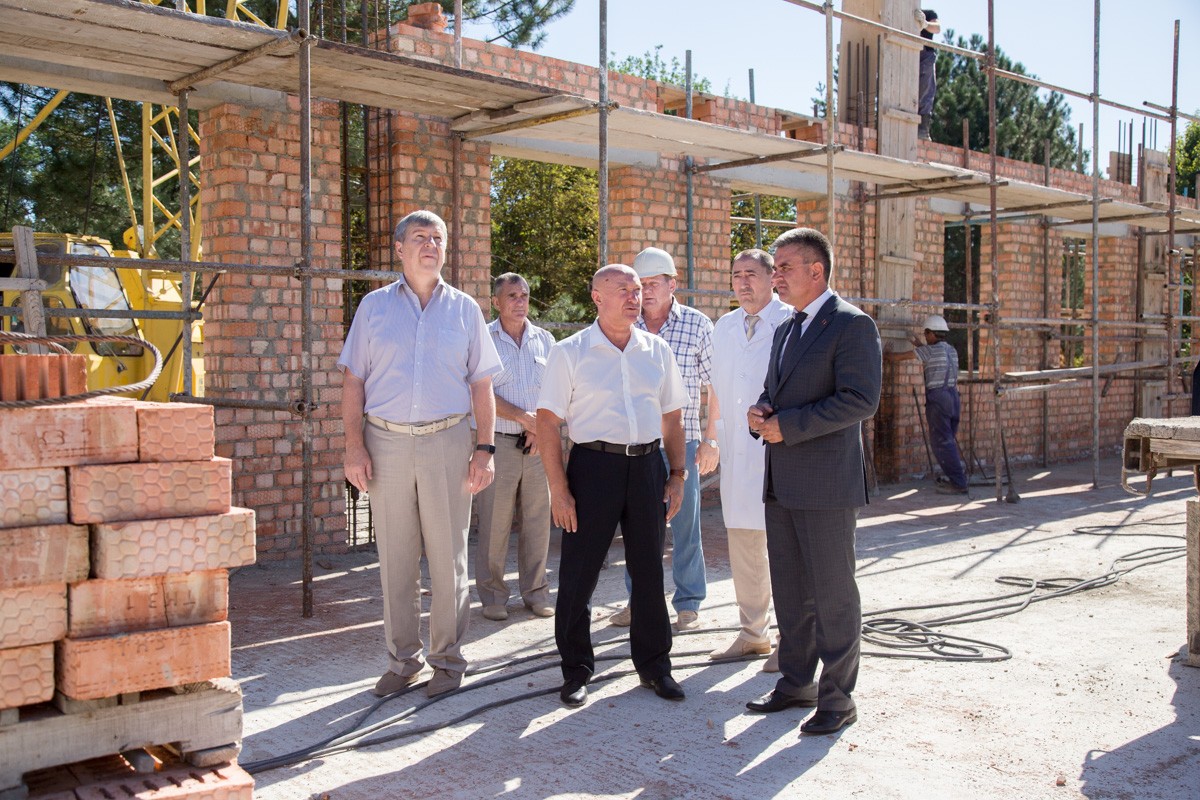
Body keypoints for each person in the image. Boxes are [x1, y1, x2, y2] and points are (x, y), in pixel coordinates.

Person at [339, 209, 502, 699]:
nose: (430, 245)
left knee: (449, 558)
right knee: (395, 559)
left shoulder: (465, 310)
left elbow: (482, 385)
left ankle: (447, 662)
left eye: (438, 238)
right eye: (420, 237)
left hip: (448, 442)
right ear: (399, 248)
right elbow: (353, 381)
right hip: (385, 443)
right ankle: (402, 661)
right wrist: (353, 446)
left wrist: (484, 449)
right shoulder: (373, 308)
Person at [745, 227, 881, 736]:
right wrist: (763, 411)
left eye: (784, 267)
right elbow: (776, 389)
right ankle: (796, 682)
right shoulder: (787, 327)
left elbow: (860, 399)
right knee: (791, 589)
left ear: (816, 271)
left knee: (832, 594)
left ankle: (838, 698)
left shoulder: (851, 324)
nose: (775, 276)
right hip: (781, 480)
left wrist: (791, 425)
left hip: (826, 484)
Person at [537, 264, 689, 708]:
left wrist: (677, 475)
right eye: (622, 289)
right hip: (593, 469)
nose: (633, 297)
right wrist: (559, 489)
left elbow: (672, 417)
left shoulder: (656, 350)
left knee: (649, 571)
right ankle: (576, 670)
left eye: (637, 289)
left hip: (647, 469)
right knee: (579, 573)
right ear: (596, 297)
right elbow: (547, 422)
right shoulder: (570, 352)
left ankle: (655, 666)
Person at [609, 246, 715, 633]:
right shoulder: (625, 324)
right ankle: (639, 602)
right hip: (636, 445)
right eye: (642, 285)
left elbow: (715, 385)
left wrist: (711, 440)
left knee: (685, 526)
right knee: (639, 528)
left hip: (683, 442)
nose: (647, 291)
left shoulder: (697, 325)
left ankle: (688, 603)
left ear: (673, 284)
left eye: (655, 283)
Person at [704, 249, 791, 671]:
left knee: (785, 548)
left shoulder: (791, 321)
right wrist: (711, 436)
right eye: (737, 274)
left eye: (751, 274)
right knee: (743, 542)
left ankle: (791, 640)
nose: (743, 282)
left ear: (772, 277)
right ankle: (753, 634)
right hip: (736, 448)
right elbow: (716, 388)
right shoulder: (724, 326)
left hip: (779, 449)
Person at [475, 273, 556, 621]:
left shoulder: (545, 340)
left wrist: (540, 429)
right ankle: (493, 596)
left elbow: (555, 390)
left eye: (524, 295)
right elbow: (480, 393)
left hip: (538, 447)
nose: (520, 302)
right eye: (512, 296)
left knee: (538, 523)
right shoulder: (484, 339)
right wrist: (524, 418)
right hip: (500, 444)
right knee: (495, 524)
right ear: (496, 302)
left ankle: (536, 593)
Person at [889, 314, 969, 495]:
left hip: (939, 399)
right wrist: (919, 344)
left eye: (926, 334)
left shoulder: (930, 351)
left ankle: (958, 483)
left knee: (942, 442)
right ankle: (956, 478)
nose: (925, 337)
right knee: (948, 440)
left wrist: (883, 354)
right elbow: (931, 354)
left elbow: (899, 357)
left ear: (932, 334)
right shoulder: (951, 350)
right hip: (953, 398)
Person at [917, 8, 941, 140]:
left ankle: (922, 128)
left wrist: (925, 24)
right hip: (905, 51)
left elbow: (937, 28)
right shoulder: (900, 10)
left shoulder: (927, 13)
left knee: (926, 89)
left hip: (925, 55)